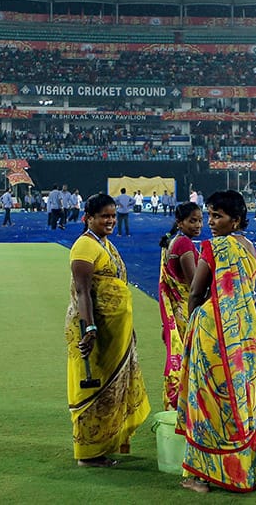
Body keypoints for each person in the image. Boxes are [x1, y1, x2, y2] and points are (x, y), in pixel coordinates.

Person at [178, 190, 256, 493]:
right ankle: (238, 470)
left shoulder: (215, 248)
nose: (211, 222)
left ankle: (200, 476)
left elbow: (196, 293)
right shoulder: (250, 249)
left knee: (207, 398)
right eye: (209, 214)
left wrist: (193, 328)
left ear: (235, 220)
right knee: (237, 394)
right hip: (242, 331)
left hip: (212, 331)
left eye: (218, 216)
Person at [67, 193, 151, 468]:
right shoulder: (84, 247)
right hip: (94, 329)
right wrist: (89, 329)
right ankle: (89, 455)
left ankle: (103, 446)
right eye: (104, 216)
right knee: (95, 390)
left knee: (111, 388)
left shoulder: (104, 244)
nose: (110, 220)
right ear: (88, 218)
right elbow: (83, 292)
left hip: (114, 331)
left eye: (113, 215)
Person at [157, 201, 203, 410]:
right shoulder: (184, 244)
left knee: (182, 361)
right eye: (192, 221)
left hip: (176, 314)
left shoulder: (172, 242)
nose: (198, 225)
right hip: (187, 312)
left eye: (200, 220)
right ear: (180, 222)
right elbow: (195, 285)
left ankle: (180, 409)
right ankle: (184, 410)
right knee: (190, 363)